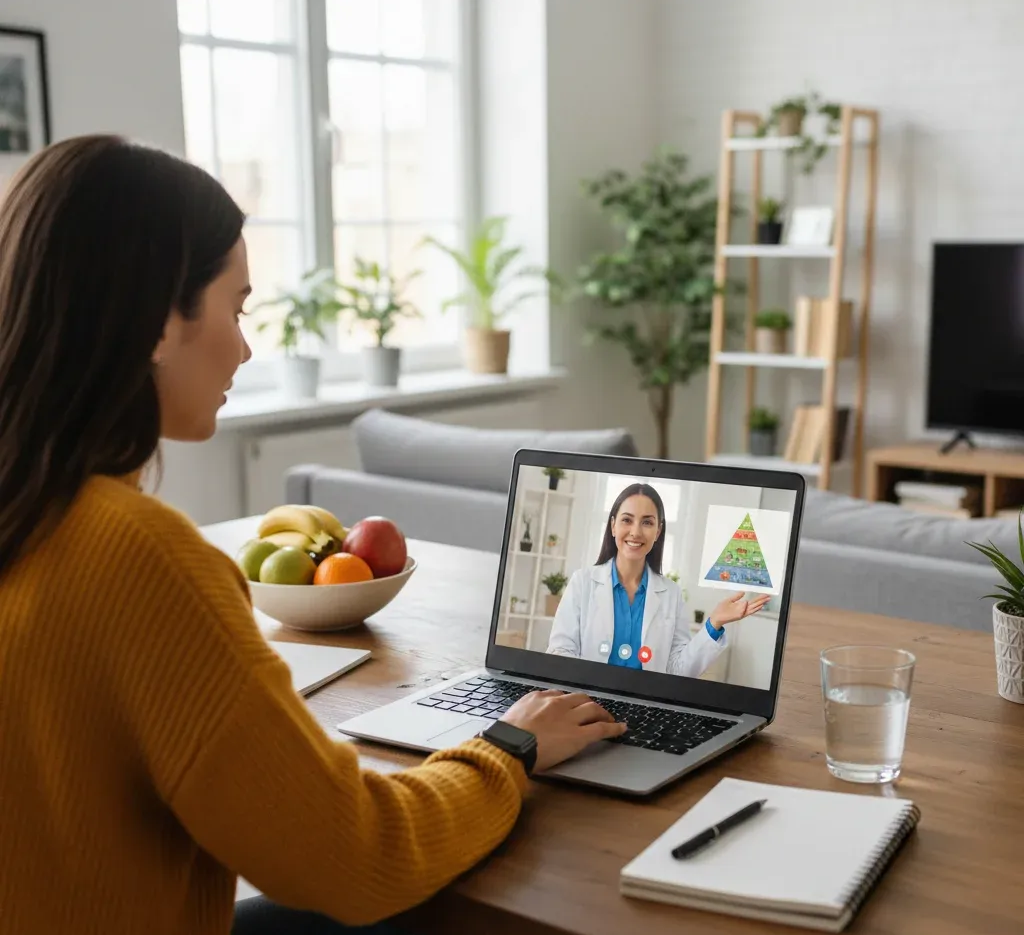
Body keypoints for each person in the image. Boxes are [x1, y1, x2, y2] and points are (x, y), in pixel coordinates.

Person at [0, 136, 626, 935]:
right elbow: (361, 857)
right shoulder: (139, 556)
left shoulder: (31, 510)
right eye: (237, 307)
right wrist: (509, 745)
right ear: (161, 322)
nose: (246, 344)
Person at [546, 483, 770, 677]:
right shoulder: (582, 582)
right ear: (613, 525)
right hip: (587, 704)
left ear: (658, 531)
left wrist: (715, 623)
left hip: (648, 709)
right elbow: (560, 652)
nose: (635, 532)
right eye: (627, 520)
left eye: (647, 522)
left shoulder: (671, 593)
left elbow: (678, 670)